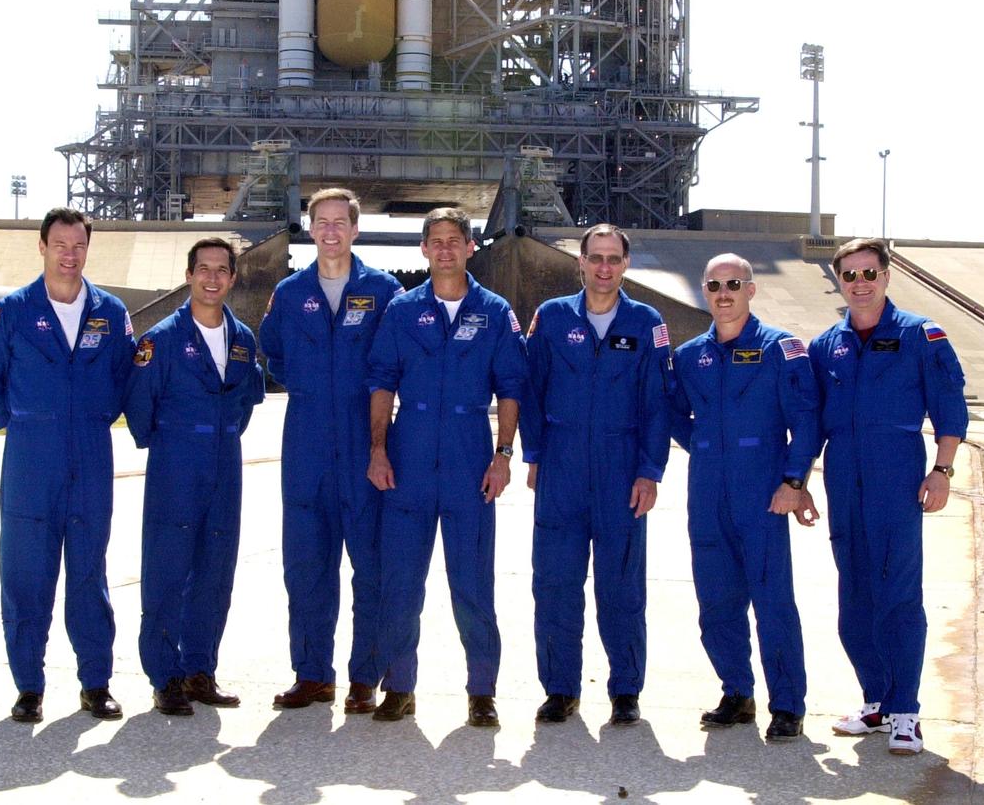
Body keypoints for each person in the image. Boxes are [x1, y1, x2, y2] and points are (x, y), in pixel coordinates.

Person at [0, 207, 135, 723]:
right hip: (30, 459)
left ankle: (95, 683)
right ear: (41, 246)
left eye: (79, 245)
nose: (70, 254)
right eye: (60, 244)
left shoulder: (110, 313)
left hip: (90, 455)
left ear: (89, 248)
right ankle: (29, 687)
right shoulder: (11, 311)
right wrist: (20, 424)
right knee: (26, 574)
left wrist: (91, 419)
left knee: (90, 573)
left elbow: (125, 376)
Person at [365, 207, 529, 727]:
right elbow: (382, 382)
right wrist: (378, 448)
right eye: (435, 240)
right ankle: (399, 687)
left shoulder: (496, 311)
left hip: (468, 457)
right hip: (408, 451)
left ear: (470, 247)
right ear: (423, 249)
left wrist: (503, 455)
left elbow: (511, 388)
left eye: (454, 240)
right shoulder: (401, 310)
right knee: (401, 582)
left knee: (473, 583)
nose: (444, 249)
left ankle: (482, 691)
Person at [808, 237, 967, 755]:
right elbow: (811, 420)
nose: (859, 283)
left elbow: (949, 406)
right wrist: (797, 479)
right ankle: (875, 699)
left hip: (896, 477)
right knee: (854, 597)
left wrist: (942, 469)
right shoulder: (825, 344)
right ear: (838, 279)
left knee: (899, 596)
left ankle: (906, 712)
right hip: (842, 478)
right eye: (849, 275)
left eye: (868, 273)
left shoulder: (922, 335)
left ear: (886, 276)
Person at [519, 224, 673, 726]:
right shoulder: (552, 317)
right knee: (555, 584)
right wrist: (535, 455)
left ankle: (625, 690)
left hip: (621, 468)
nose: (604, 267)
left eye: (613, 258)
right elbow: (533, 391)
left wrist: (650, 470)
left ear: (625, 264)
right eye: (595, 258)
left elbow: (657, 403)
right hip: (561, 467)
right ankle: (560, 689)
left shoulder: (647, 322)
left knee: (622, 587)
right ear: (579, 262)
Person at [259, 188, 404, 713]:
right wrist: (307, 383)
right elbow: (271, 350)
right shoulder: (291, 292)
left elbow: (395, 362)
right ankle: (312, 674)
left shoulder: (384, 291)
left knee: (371, 566)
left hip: (367, 441)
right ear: (310, 228)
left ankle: (365, 677)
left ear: (355, 229)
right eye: (321, 221)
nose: (331, 231)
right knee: (306, 566)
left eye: (340, 221)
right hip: (307, 443)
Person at [669, 253, 819, 742]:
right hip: (708, 493)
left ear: (751, 290)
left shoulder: (782, 348)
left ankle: (788, 704)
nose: (724, 293)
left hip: (763, 495)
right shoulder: (691, 356)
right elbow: (673, 415)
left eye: (733, 283)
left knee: (772, 600)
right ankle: (737, 692)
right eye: (714, 285)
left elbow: (808, 420)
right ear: (704, 292)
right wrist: (709, 449)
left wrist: (793, 481)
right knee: (716, 602)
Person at [123, 237, 265, 716]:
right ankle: (165, 676)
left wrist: (219, 435)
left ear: (232, 277)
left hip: (226, 458)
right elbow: (139, 407)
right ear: (189, 276)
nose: (211, 278)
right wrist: (170, 443)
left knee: (215, 568)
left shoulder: (242, 339)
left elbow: (247, 400)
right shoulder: (160, 339)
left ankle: (200, 669)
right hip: (176, 461)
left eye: (221, 270)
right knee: (167, 569)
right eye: (202, 269)